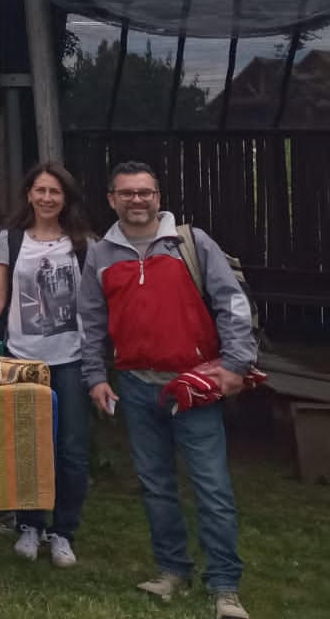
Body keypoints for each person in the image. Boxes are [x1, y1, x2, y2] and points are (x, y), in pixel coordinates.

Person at [80, 162, 256, 619]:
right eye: (127, 193)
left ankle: (224, 586)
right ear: (111, 199)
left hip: (194, 388)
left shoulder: (192, 243)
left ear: (158, 195)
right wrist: (96, 376)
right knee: (156, 487)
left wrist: (237, 364)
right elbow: (92, 321)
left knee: (212, 487)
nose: (136, 200)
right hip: (137, 388)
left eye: (145, 192)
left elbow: (232, 302)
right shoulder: (101, 254)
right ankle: (172, 570)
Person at [0, 161, 95, 569]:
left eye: (54, 192)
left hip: (72, 359)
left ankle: (64, 531)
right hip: (22, 359)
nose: (46, 198)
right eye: (40, 190)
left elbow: (97, 305)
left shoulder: (85, 243)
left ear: (66, 198)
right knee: (26, 446)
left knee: (71, 451)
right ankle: (30, 525)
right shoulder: (10, 238)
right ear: (28, 194)